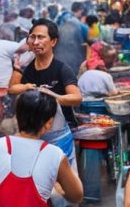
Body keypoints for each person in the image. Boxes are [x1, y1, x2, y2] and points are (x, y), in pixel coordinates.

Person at [0, 91, 83, 207]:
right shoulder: (55, 154)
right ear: (48, 124)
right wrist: (55, 185)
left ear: (17, 116)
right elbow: (76, 195)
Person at [9, 19, 82, 166]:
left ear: (53, 41)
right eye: (33, 37)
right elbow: (12, 89)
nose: (36, 42)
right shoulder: (27, 68)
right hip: (33, 136)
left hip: (60, 137)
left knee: (61, 185)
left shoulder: (62, 69)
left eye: (41, 37)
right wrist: (24, 81)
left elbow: (77, 98)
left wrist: (54, 97)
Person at [0, 38, 27, 120]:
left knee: (1, 115)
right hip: (3, 89)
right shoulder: (6, 47)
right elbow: (24, 48)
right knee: (5, 115)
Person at [53, 3, 88, 75]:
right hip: (73, 58)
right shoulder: (76, 22)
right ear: (80, 10)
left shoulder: (58, 19)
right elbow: (87, 35)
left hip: (58, 57)